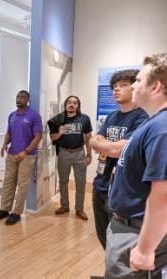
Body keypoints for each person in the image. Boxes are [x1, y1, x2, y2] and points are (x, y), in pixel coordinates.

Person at [104, 53, 167, 278]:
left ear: (155, 87)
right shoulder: (153, 123)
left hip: (136, 231)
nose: (134, 85)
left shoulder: (162, 128)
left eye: (138, 80)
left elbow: (163, 194)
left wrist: (145, 248)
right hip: (127, 227)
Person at [90, 69, 148, 249]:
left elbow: (117, 150)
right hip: (100, 182)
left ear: (136, 88)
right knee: (103, 237)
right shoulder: (112, 116)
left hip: (121, 188)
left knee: (119, 242)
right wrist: (107, 145)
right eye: (114, 86)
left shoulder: (143, 117)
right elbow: (93, 140)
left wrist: (105, 143)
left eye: (123, 85)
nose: (116, 89)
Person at [0, 90, 42, 225]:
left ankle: (17, 212)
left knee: (22, 185)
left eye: (22, 97)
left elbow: (38, 136)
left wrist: (25, 152)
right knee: (8, 182)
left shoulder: (34, 115)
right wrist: (4, 145)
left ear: (27, 100)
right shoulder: (12, 115)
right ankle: (4, 209)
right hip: (12, 154)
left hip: (27, 156)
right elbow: (9, 133)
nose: (18, 99)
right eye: (17, 97)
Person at [47, 96, 92, 221]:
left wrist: (89, 154)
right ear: (66, 104)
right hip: (64, 153)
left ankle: (79, 209)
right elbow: (53, 138)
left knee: (81, 183)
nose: (72, 104)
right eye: (69, 102)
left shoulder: (84, 119)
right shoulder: (59, 120)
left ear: (78, 105)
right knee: (63, 181)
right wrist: (60, 132)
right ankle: (65, 205)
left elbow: (88, 137)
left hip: (79, 154)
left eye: (75, 103)